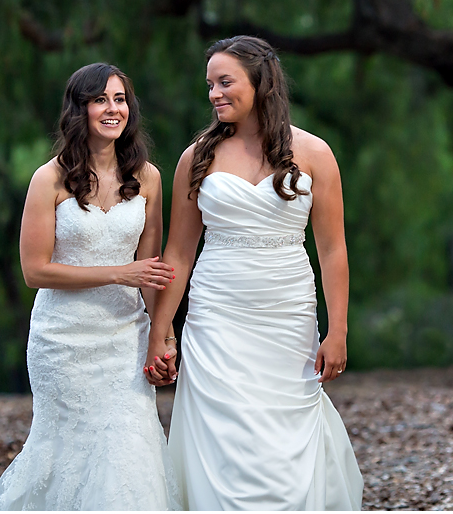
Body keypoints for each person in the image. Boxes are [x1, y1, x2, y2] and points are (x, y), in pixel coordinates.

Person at [144, 36, 363, 510]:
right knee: (222, 433)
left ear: (261, 83)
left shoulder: (315, 153)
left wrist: (339, 329)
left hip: (287, 313)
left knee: (284, 433)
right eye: (209, 85)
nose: (214, 94)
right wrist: (161, 332)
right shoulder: (196, 157)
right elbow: (178, 254)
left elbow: (332, 249)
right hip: (216, 312)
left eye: (225, 82)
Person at [0, 63, 182, 510]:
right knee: (67, 454)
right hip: (63, 340)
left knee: (129, 450)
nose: (113, 109)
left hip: (123, 338)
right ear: (80, 109)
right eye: (101, 99)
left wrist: (164, 338)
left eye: (120, 99)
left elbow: (149, 273)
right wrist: (120, 273)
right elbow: (35, 272)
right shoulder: (49, 178)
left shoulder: (149, 177)